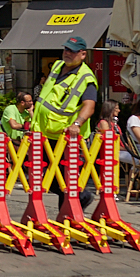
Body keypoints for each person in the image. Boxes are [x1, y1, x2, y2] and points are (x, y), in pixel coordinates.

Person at [32, 36, 98, 210]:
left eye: (72, 51)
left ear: (83, 54)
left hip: (64, 137)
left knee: (62, 179)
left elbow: (89, 106)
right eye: (66, 50)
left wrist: (77, 123)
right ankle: (68, 214)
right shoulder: (57, 66)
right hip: (43, 132)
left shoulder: (86, 78)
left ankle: (77, 204)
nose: (67, 54)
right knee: (46, 177)